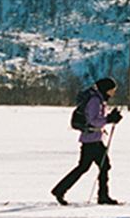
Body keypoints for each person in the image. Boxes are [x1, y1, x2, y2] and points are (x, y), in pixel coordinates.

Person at [51, 77, 123, 205]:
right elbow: (93, 120)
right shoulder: (95, 100)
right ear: (106, 89)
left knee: (90, 167)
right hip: (91, 140)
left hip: (92, 139)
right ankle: (102, 196)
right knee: (102, 165)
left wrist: (110, 118)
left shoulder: (99, 100)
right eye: (112, 90)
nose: (113, 92)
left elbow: (97, 119)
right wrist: (109, 119)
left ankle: (60, 190)